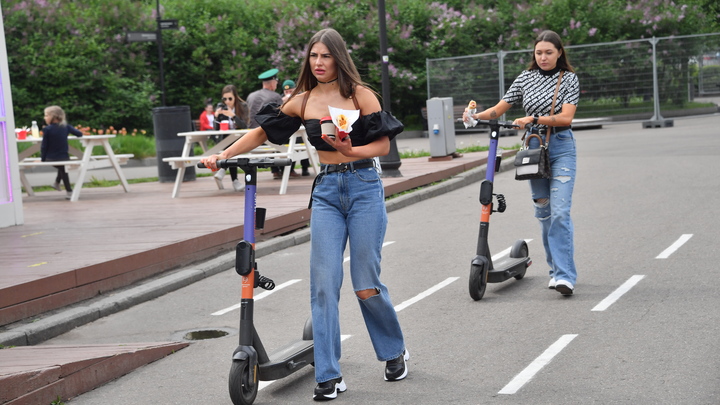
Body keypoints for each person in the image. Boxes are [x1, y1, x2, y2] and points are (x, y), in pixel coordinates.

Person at [202, 28, 408, 400]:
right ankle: (329, 375)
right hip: (327, 191)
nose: (319, 63)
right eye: (313, 56)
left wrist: (351, 150)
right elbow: (261, 132)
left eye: (326, 56)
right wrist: (224, 155)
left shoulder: (360, 95)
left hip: (364, 187)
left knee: (364, 283)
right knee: (324, 286)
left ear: (339, 58)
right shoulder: (303, 99)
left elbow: (382, 143)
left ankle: (394, 351)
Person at [465, 30, 580, 296]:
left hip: (561, 148)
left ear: (559, 53)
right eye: (538, 52)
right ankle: (555, 270)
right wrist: (473, 117)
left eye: (549, 52)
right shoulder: (526, 78)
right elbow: (499, 108)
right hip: (533, 149)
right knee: (544, 213)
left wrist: (533, 118)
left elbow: (565, 118)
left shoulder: (569, 79)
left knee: (560, 212)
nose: (543, 57)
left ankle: (564, 275)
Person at [246, 68, 293, 179]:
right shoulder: (275, 96)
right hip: (267, 136)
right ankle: (284, 170)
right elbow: (282, 117)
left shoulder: (250, 96)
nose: (276, 85)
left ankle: (275, 171)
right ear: (272, 82)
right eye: (276, 82)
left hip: (251, 135)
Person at [41, 105, 83, 200]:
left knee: (63, 167)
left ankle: (59, 185)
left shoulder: (47, 129)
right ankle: (68, 191)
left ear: (54, 117)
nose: (45, 118)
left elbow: (44, 146)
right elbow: (79, 134)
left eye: (46, 115)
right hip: (63, 157)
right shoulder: (66, 127)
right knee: (64, 168)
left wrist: (43, 159)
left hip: (50, 158)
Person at [213, 85, 249, 192]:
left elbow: (244, 126)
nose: (227, 101)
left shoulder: (243, 107)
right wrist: (216, 116)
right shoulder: (221, 108)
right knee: (230, 148)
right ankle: (235, 181)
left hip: (240, 139)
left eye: (230, 98)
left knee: (231, 148)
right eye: (225, 99)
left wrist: (233, 116)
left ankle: (223, 169)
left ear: (235, 97)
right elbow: (216, 129)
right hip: (225, 140)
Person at [282, 79, 311, 176]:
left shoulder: (301, 98)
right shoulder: (281, 100)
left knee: (303, 141)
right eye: (286, 92)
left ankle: (305, 168)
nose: (288, 93)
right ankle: (288, 170)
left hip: (301, 128)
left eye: (290, 91)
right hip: (288, 129)